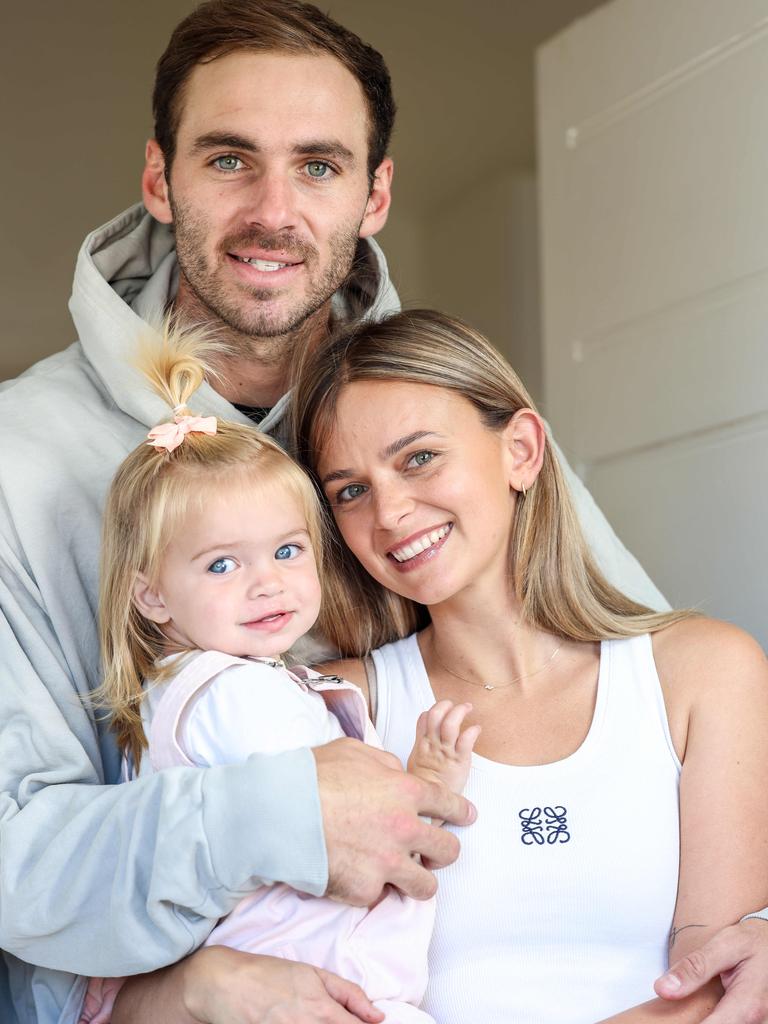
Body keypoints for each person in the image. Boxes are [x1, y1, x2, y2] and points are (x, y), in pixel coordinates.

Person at [4, 1, 762, 1023]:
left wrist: (754, 925)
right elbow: (17, 855)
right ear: (159, 177)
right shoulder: (21, 461)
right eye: (230, 159)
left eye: (319, 164)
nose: (275, 210)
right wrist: (185, 984)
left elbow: (652, 721)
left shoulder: (451, 412)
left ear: (375, 193)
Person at [286, 310, 768, 1023]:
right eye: (350, 490)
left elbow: (718, 979)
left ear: (521, 450)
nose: (388, 512)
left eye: (418, 457)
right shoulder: (333, 708)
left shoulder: (703, 673)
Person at [79, 324, 479, 1024]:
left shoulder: (233, 685)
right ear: (151, 594)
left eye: (288, 551)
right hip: (307, 988)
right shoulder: (231, 697)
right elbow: (343, 822)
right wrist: (429, 785)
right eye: (223, 564)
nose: (267, 584)